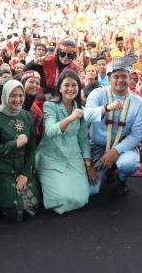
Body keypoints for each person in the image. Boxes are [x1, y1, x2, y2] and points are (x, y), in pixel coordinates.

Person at [84, 55, 142, 196]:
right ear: (109, 78)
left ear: (129, 78)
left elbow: (137, 134)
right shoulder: (97, 93)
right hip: (97, 146)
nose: (120, 80)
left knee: (128, 164)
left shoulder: (139, 102)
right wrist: (106, 108)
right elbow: (87, 115)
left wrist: (116, 151)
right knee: (91, 192)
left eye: (123, 76)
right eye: (116, 76)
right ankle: (107, 171)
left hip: (124, 147)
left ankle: (121, 180)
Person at [35, 71, 96, 214]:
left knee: (82, 199)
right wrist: (70, 118)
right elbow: (50, 131)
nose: (70, 89)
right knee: (62, 199)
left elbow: (83, 140)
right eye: (66, 85)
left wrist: (88, 165)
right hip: (51, 157)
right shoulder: (50, 105)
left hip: (72, 158)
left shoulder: (81, 109)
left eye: (74, 85)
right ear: (60, 88)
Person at [0, 80, 40, 221]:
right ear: (5, 95)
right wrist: (14, 144)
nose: (17, 100)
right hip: (1, 169)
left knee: (33, 204)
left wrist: (26, 173)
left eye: (20, 95)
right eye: (13, 95)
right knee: (15, 208)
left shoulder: (26, 116)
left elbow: (32, 147)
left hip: (21, 167)